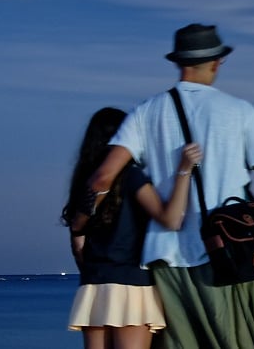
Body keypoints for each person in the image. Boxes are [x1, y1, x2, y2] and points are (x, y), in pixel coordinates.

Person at [88, 24, 254, 349]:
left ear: (179, 62)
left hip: (165, 258)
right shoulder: (240, 112)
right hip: (229, 251)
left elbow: (103, 178)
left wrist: (84, 225)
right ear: (217, 62)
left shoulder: (145, 113)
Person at [62, 107, 203, 349]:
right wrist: (184, 170)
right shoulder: (132, 176)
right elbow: (170, 218)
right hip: (132, 283)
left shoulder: (86, 181)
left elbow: (78, 243)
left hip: (94, 285)